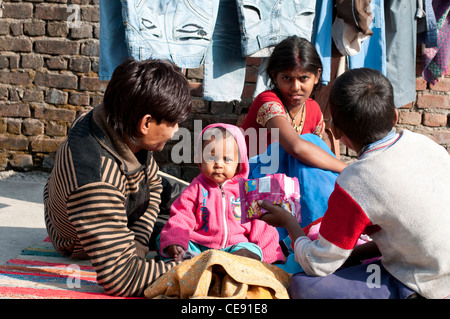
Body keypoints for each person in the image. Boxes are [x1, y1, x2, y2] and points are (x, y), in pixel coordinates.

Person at [258, 68, 450, 299]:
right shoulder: (424, 143)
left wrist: (290, 225)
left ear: (335, 131)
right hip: (433, 260)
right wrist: (352, 255)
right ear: (396, 116)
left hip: (429, 283)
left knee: (303, 285)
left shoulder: (356, 182)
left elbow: (317, 264)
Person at [43, 58, 192, 297]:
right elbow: (122, 278)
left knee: (199, 201)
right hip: (77, 239)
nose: (176, 131)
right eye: (173, 123)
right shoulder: (97, 180)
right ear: (146, 123)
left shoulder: (118, 119)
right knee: (195, 235)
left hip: (128, 197)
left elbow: (152, 184)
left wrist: (139, 243)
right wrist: (189, 268)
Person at [157, 123, 285, 264]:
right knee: (168, 239)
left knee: (251, 250)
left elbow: (262, 226)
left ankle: (230, 265)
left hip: (234, 249)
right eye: (211, 157)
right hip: (200, 247)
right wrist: (175, 241)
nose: (218, 164)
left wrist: (272, 257)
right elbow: (181, 217)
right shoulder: (196, 189)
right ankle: (190, 259)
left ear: (239, 163)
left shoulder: (246, 192)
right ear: (200, 160)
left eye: (227, 159)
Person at [240, 35, 347, 173]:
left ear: (317, 76)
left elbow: (324, 149)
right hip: (251, 184)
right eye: (286, 78)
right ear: (274, 76)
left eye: (304, 78)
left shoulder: (313, 108)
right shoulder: (267, 101)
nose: (295, 87)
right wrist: (348, 170)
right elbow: (295, 147)